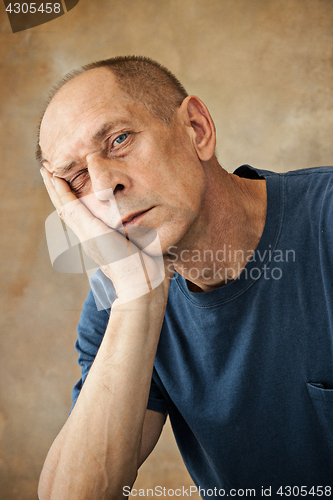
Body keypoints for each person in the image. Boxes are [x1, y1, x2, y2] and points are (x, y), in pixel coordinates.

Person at [37, 56, 333, 500]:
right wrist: (139, 297)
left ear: (196, 129)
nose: (103, 185)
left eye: (118, 140)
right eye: (76, 177)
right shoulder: (117, 304)